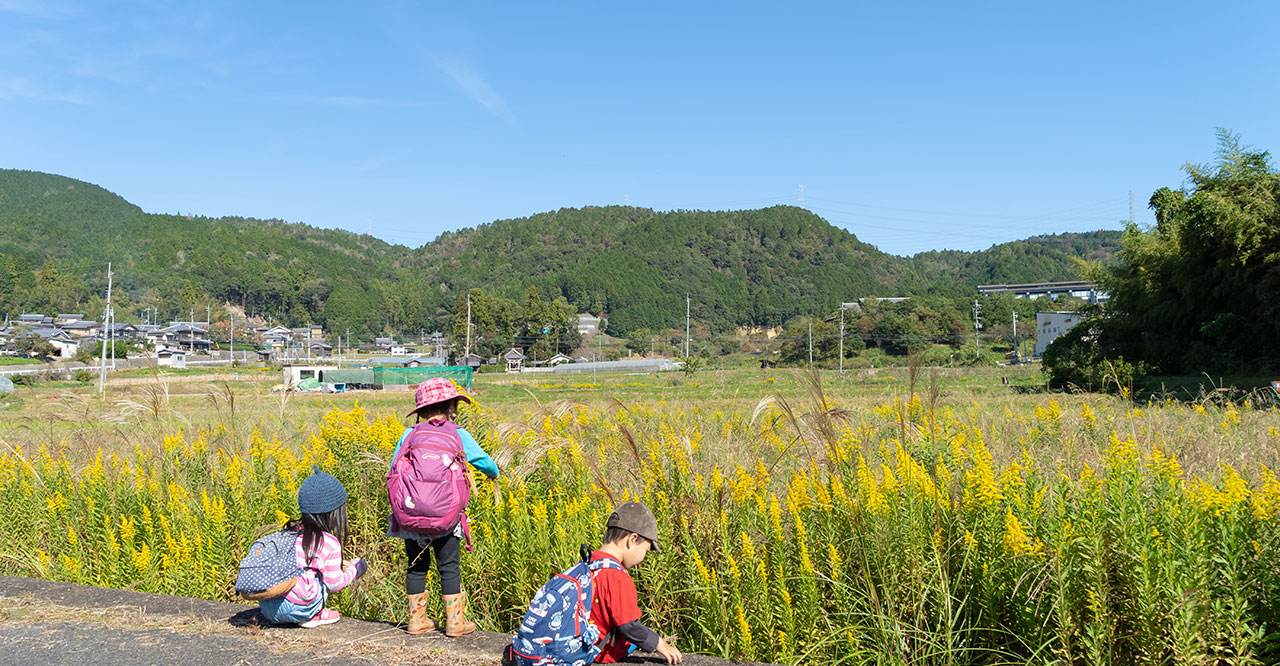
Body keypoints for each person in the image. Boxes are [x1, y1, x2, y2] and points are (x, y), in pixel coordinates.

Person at [387, 377, 499, 636]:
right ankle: (455, 623)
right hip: (447, 516)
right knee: (449, 565)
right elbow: (484, 461)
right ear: (451, 406)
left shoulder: (410, 434)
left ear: (421, 410)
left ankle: (416, 622)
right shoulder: (458, 434)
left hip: (411, 514)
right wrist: (493, 474)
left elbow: (394, 470)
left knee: (416, 565)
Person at [258, 467, 366, 627]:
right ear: (335, 512)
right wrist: (357, 568)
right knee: (319, 576)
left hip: (268, 607)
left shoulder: (290, 532)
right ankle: (313, 615)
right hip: (297, 608)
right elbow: (334, 584)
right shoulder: (329, 543)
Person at [588, 502, 682, 664]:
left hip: (582, 646)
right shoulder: (617, 577)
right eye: (645, 550)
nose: (643, 558)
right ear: (632, 539)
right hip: (602, 653)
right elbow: (628, 626)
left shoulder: (587, 563)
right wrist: (658, 642)